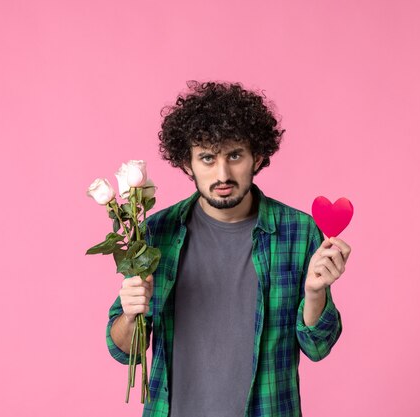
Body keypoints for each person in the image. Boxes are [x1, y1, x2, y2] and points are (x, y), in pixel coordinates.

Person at [106, 81, 351, 417]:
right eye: (207, 158)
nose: (222, 174)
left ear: (258, 157)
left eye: (234, 155)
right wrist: (132, 314)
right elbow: (123, 350)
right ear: (187, 164)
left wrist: (314, 293)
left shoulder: (298, 231)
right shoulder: (156, 232)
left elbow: (318, 346)